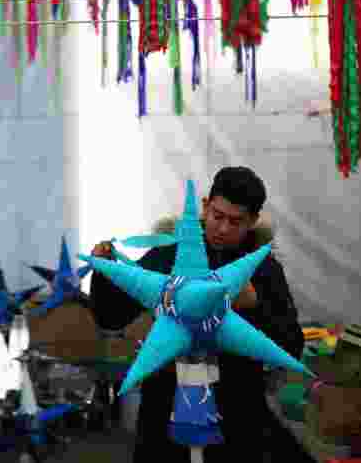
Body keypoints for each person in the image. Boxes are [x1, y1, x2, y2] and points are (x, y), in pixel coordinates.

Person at [89, 167, 312, 463]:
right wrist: (104, 274)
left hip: (236, 414)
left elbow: (291, 345)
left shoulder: (263, 270)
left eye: (235, 222)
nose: (222, 228)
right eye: (217, 216)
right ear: (205, 206)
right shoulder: (168, 255)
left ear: (253, 221)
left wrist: (255, 305)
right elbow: (112, 317)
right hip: (165, 410)